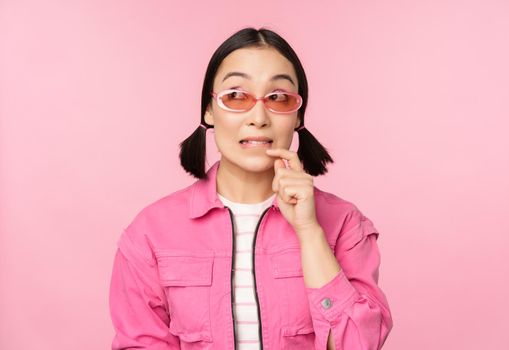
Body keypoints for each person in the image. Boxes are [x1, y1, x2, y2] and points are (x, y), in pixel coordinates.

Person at [109, 26, 393, 350]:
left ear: (297, 115)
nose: (258, 117)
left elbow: (358, 344)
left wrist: (309, 231)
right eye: (236, 96)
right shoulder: (150, 233)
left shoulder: (344, 224)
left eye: (278, 98)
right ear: (208, 110)